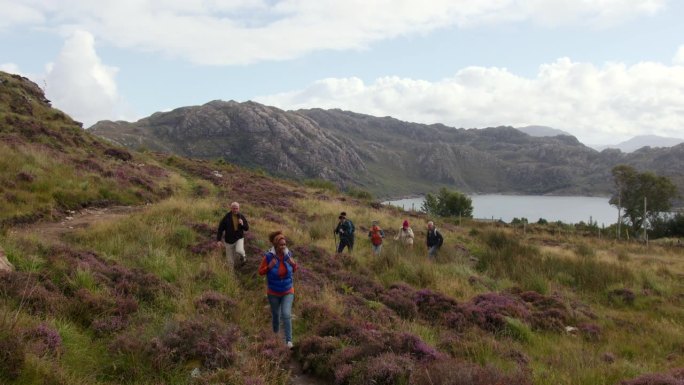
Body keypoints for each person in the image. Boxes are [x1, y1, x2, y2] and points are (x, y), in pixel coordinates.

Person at [258, 231, 297, 349]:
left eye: (284, 244)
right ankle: (275, 336)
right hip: (273, 292)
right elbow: (260, 272)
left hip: (287, 290)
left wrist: (292, 263)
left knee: (286, 314)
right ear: (276, 246)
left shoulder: (288, 254)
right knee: (276, 315)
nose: (283, 247)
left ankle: (289, 341)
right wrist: (269, 267)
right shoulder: (268, 256)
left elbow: (294, 269)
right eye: (281, 245)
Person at [216, 201, 249, 268]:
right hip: (228, 241)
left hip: (239, 238)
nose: (235, 210)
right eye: (234, 208)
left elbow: (246, 228)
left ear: (239, 208)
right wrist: (219, 240)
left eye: (236, 208)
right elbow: (220, 229)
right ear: (231, 208)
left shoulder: (241, 216)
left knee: (239, 251)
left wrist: (242, 224)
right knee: (229, 261)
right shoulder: (226, 217)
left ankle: (244, 258)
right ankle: (231, 276)